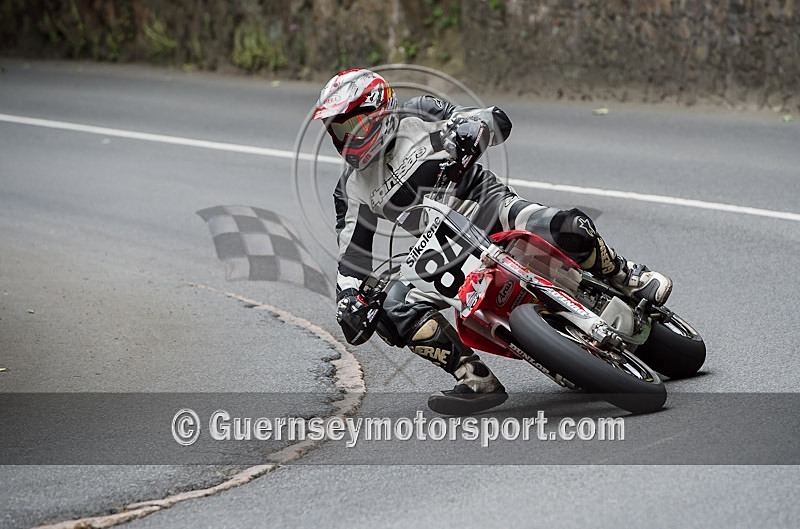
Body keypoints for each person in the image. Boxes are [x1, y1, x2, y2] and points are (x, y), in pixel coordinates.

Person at [313, 69, 672, 414]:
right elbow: (352, 258)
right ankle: (473, 378)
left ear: (380, 109)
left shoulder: (419, 112)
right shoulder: (352, 187)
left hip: (492, 208)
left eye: (353, 125)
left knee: (567, 226)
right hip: (442, 248)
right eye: (338, 131)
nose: (347, 139)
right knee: (393, 310)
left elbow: (494, 120)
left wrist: (472, 129)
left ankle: (627, 276)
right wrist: (349, 298)